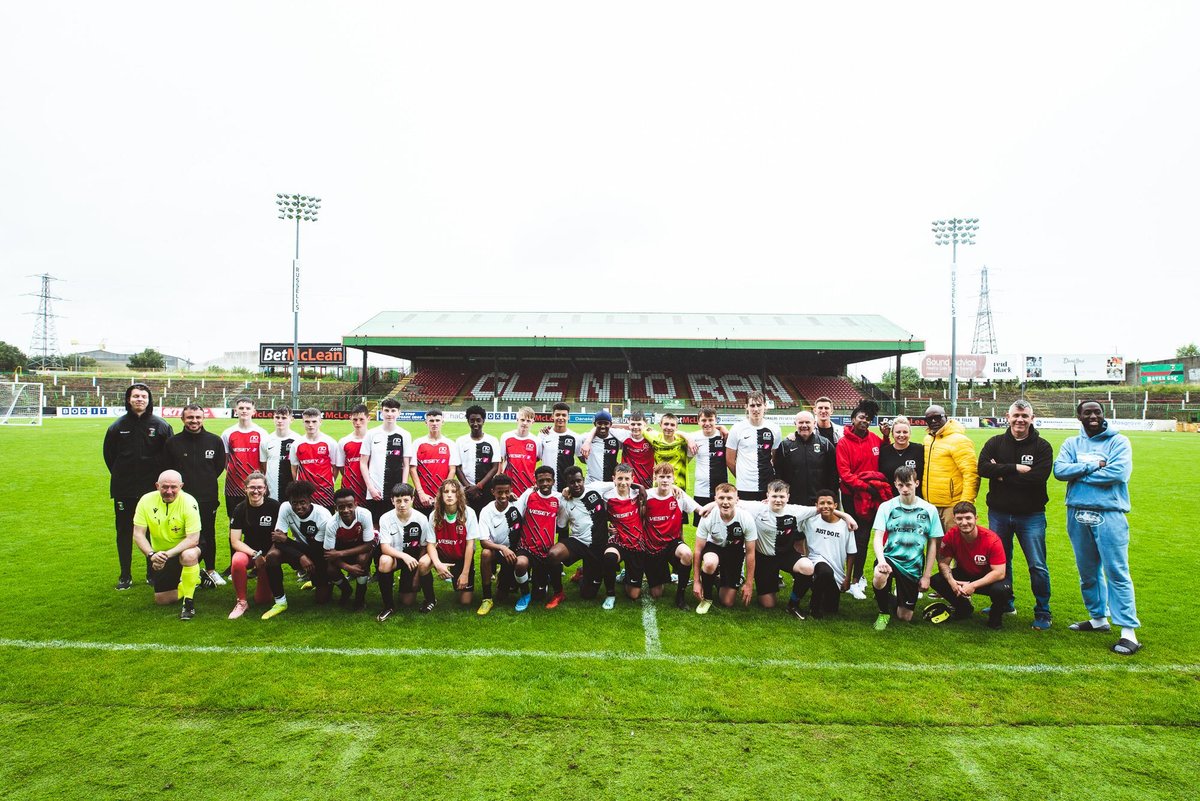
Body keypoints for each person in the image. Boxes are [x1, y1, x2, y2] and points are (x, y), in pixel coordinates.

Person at [1054, 400, 1141, 656]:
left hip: (1109, 513)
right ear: (1078, 416)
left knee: (1117, 571)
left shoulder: (1118, 442)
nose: (1093, 416)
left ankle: (1128, 631)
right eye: (1087, 412)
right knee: (1087, 571)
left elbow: (1118, 473)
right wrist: (1093, 465)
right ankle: (1098, 619)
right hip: (1077, 512)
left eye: (1097, 412)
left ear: (1104, 414)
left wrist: (1078, 473)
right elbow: (1059, 471)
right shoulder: (1071, 443)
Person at [977, 399, 1054, 629]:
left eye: (1024, 416)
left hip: (1031, 515)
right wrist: (1014, 468)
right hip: (999, 513)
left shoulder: (1042, 446)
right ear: (1007, 417)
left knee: (1037, 565)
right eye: (1016, 416)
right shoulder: (995, 442)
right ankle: (1005, 604)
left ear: (1032, 419)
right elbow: (982, 468)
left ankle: (1043, 611)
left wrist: (1000, 473)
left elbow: (1037, 478)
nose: (1020, 420)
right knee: (1001, 562)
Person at [738, 479, 856, 616]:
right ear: (767, 496)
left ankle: (793, 604)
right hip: (765, 558)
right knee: (768, 604)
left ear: (788, 497)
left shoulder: (795, 511)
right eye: (774, 496)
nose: (778, 500)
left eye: (782, 496)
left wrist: (846, 516)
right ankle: (768, 587)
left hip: (786, 555)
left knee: (807, 567)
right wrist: (707, 508)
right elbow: (728, 501)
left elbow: (822, 508)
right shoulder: (756, 508)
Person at [103, 382, 173, 590]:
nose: (139, 399)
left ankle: (152, 573)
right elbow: (109, 457)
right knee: (124, 531)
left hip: (152, 491)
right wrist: (122, 475)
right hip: (124, 489)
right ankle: (125, 575)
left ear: (149, 400)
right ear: (128, 399)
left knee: (153, 530)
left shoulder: (161, 426)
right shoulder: (117, 427)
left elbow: (169, 456)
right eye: (135, 396)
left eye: (143, 396)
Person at [870, 466, 942, 630]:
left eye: (908, 484)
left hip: (912, 565)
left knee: (905, 617)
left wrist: (927, 576)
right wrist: (881, 561)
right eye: (900, 485)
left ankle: (886, 597)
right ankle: (883, 612)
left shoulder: (929, 510)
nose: (904, 489)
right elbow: (878, 537)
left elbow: (932, 544)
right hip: (891, 558)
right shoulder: (886, 507)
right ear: (895, 484)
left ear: (916, 483)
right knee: (880, 574)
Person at [164, 404, 227, 587]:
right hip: (180, 499)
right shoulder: (173, 442)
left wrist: (203, 481)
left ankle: (210, 570)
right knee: (181, 533)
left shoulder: (214, 441)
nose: (194, 421)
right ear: (183, 419)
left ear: (203, 419)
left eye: (198, 417)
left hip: (207, 497)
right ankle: (186, 571)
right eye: (190, 417)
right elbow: (168, 469)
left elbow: (218, 467)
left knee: (208, 533)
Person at [836, 399, 891, 600]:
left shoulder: (874, 439)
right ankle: (852, 579)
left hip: (873, 497)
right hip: (853, 497)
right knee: (857, 538)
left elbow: (884, 456)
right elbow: (844, 473)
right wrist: (865, 487)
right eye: (861, 417)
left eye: (868, 419)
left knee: (870, 536)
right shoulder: (843, 443)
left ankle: (858, 578)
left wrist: (885, 438)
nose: (864, 421)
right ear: (852, 420)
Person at [130, 470, 202, 620]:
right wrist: (152, 555)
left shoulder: (189, 502)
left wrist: (166, 555)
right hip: (160, 553)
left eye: (173, 487)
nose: (169, 491)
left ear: (181, 486)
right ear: (157, 486)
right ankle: (196, 578)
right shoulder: (146, 500)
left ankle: (188, 603)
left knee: (188, 556)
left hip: (186, 548)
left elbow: (193, 539)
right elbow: (138, 534)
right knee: (162, 600)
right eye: (164, 487)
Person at [929, 501, 1013, 629]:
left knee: (1001, 590)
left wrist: (973, 585)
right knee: (936, 580)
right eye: (959, 519)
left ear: (976, 518)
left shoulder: (991, 539)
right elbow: (944, 563)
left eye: (968, 518)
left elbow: (999, 572)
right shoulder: (951, 535)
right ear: (955, 520)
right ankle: (964, 608)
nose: (964, 522)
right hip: (965, 574)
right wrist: (952, 581)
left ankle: (995, 618)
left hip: (988, 578)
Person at [263, 480, 334, 619]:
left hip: (319, 556)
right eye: (294, 503)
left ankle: (323, 581)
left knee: (322, 600)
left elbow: (316, 550)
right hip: (300, 552)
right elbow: (278, 541)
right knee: (272, 556)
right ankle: (280, 602)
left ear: (310, 500)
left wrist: (288, 541)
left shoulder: (323, 516)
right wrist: (301, 556)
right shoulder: (285, 507)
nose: (298, 507)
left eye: (302, 502)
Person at [691, 483, 758, 614]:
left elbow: (750, 553)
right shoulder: (708, 517)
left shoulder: (746, 518)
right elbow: (698, 550)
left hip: (734, 552)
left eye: (729, 498)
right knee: (710, 563)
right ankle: (708, 598)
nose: (725, 502)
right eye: (721, 498)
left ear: (737, 500)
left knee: (728, 601)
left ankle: (717, 579)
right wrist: (696, 581)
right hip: (714, 548)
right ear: (715, 499)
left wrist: (749, 583)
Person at [641, 462, 700, 609]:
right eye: (661, 476)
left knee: (686, 554)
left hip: (672, 544)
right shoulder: (646, 495)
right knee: (656, 593)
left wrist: (731, 506)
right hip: (652, 547)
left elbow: (700, 510)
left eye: (668, 477)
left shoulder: (678, 495)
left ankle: (680, 596)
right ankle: (661, 574)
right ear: (655, 478)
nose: (665, 480)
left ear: (673, 479)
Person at [375, 483, 436, 621]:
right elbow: (384, 547)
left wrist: (417, 576)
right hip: (396, 558)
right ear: (392, 501)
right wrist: (404, 556)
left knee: (408, 601)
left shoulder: (421, 518)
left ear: (412, 499)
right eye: (398, 501)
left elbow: (423, 547)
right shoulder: (385, 518)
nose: (402, 504)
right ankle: (388, 606)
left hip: (413, 562)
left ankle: (428, 597)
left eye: (406, 500)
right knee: (384, 561)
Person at [221, 396, 267, 573]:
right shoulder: (228, 433)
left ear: (254, 411)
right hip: (233, 488)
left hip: (255, 489)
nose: (244, 411)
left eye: (248, 408)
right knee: (235, 526)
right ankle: (235, 563)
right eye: (241, 408)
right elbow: (225, 460)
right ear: (236, 410)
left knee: (257, 526)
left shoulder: (261, 433)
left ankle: (257, 563)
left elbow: (263, 463)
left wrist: (257, 484)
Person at [420, 478, 481, 610]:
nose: (449, 495)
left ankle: (462, 574)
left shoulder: (468, 513)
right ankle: (430, 600)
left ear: (459, 495)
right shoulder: (434, 515)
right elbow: (430, 544)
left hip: (461, 555)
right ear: (441, 495)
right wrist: (438, 564)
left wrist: (465, 573)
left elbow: (471, 545)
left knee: (465, 601)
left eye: (453, 491)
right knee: (423, 564)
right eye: (446, 491)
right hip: (442, 554)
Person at [794, 489, 856, 618]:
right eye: (822, 503)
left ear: (835, 505)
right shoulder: (810, 521)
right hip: (817, 562)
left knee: (831, 609)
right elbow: (793, 516)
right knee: (824, 571)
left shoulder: (846, 525)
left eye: (829, 503)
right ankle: (813, 607)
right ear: (816, 506)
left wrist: (847, 579)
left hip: (837, 572)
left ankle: (819, 590)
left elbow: (851, 553)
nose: (825, 506)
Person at [226, 471, 279, 619]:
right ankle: (241, 602)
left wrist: (266, 558)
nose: (256, 491)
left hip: (270, 554)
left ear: (265, 489)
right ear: (245, 489)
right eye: (252, 487)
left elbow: (281, 537)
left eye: (260, 487)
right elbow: (235, 541)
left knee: (263, 600)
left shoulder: (275, 507)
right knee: (237, 561)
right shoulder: (240, 509)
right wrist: (256, 555)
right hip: (250, 552)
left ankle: (264, 575)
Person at [513, 465, 566, 611]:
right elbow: (516, 512)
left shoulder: (559, 498)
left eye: (548, 480)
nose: (545, 484)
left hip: (545, 550)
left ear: (553, 481)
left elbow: (562, 523)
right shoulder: (529, 494)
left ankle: (548, 584)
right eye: (541, 480)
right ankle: (524, 594)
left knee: (540, 596)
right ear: (535, 481)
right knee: (520, 564)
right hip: (526, 547)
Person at [921, 404, 979, 531]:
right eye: (929, 419)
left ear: (945, 417)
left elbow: (971, 473)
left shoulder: (959, 440)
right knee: (935, 547)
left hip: (952, 506)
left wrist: (965, 503)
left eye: (937, 417)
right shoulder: (928, 439)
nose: (933, 421)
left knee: (955, 547)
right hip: (931, 505)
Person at [555, 466, 608, 602]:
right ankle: (558, 591)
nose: (576, 485)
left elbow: (620, 483)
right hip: (578, 542)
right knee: (553, 554)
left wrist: (641, 488)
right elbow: (562, 527)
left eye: (579, 481)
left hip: (598, 546)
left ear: (583, 480)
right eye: (572, 482)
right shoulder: (565, 502)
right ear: (567, 484)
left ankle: (583, 572)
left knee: (587, 594)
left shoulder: (596, 488)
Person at [600, 464, 649, 609]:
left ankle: (625, 575)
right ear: (613, 479)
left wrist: (676, 488)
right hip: (618, 541)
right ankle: (610, 594)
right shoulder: (606, 496)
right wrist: (608, 529)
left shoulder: (638, 493)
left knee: (633, 595)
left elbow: (663, 490)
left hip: (636, 543)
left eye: (627, 479)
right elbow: (600, 518)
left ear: (632, 479)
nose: (623, 482)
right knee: (609, 558)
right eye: (619, 478)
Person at [360, 398, 413, 525]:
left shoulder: (404, 435)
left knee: (396, 524)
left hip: (396, 491)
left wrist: (403, 487)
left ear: (399, 413)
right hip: (375, 490)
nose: (390, 414)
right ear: (381, 412)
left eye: (393, 410)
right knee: (375, 525)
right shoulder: (371, 434)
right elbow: (363, 462)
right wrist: (370, 487)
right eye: (387, 410)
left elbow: (406, 465)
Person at [321, 488, 377, 610]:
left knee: (362, 560)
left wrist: (340, 553)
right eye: (341, 507)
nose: (346, 510)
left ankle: (360, 597)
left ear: (355, 505)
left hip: (361, 546)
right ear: (336, 508)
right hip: (342, 547)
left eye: (349, 506)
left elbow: (368, 545)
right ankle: (346, 590)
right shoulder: (332, 524)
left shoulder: (364, 514)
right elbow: (329, 554)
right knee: (330, 569)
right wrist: (348, 567)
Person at [476, 474, 523, 614]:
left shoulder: (517, 506)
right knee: (485, 554)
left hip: (512, 553)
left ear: (511, 491)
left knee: (503, 596)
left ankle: (504, 577)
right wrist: (502, 548)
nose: (503, 496)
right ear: (493, 492)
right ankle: (486, 598)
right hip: (496, 551)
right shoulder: (486, 511)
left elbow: (534, 492)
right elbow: (484, 542)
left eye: (506, 492)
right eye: (499, 492)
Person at [725, 392, 783, 502]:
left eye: (759, 405)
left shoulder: (775, 428)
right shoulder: (737, 428)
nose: (756, 409)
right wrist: (742, 476)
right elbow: (729, 460)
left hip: (767, 485)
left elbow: (775, 457)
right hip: (744, 486)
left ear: (765, 406)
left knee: (766, 518)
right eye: (752, 405)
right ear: (746, 407)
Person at [776, 410, 837, 506]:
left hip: (819, 502)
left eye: (807, 422)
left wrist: (831, 496)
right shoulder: (785, 445)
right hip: (793, 502)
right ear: (795, 424)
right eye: (801, 422)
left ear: (814, 423)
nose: (804, 425)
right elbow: (779, 473)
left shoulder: (825, 444)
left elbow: (833, 474)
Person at [411, 409, 460, 514]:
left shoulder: (450, 444)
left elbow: (452, 470)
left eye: (437, 420)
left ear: (443, 422)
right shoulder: (417, 443)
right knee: (422, 526)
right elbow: (413, 469)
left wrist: (443, 493)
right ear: (426, 422)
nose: (434, 423)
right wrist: (420, 493)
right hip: (422, 497)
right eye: (431, 421)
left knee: (441, 527)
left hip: (442, 496)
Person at [292, 408, 342, 511]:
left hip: (325, 492)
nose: (311, 425)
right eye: (307, 422)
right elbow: (294, 468)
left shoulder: (330, 442)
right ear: (303, 422)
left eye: (314, 421)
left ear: (320, 422)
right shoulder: (296, 444)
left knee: (327, 522)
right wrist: (299, 486)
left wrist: (330, 482)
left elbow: (335, 467)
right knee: (305, 521)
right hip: (305, 493)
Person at [456, 404, 500, 514]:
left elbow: (495, 467)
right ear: (468, 421)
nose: (475, 424)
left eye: (478, 420)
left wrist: (479, 486)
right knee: (466, 519)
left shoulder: (493, 440)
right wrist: (468, 487)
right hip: (466, 490)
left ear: (483, 421)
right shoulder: (460, 441)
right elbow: (457, 467)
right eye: (472, 420)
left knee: (485, 518)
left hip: (487, 489)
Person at [687, 407, 729, 522]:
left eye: (710, 420)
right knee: (702, 524)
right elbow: (687, 459)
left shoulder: (724, 436)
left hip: (721, 488)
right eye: (704, 420)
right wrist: (688, 438)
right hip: (701, 489)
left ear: (716, 420)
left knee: (722, 522)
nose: (707, 423)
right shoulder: (694, 437)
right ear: (698, 421)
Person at [537, 402, 582, 491]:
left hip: (568, 486)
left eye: (564, 415)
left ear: (568, 417)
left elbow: (581, 458)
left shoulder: (575, 437)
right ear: (552, 416)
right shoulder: (543, 435)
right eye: (557, 415)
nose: (561, 418)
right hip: (547, 486)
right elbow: (538, 457)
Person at [877, 415, 924, 498]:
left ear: (910, 433)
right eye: (898, 432)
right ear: (892, 433)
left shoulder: (919, 450)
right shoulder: (884, 452)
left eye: (905, 432)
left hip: (915, 500)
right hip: (890, 499)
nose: (901, 435)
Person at [260, 406, 299, 502]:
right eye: (277, 417)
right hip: (272, 489)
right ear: (273, 418)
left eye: (284, 418)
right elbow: (264, 466)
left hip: (292, 489)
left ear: (291, 420)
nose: (280, 421)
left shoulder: (298, 440)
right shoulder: (266, 441)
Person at [645, 413, 691, 494]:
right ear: (660, 425)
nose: (669, 427)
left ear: (677, 427)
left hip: (679, 487)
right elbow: (638, 427)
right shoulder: (654, 437)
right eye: (666, 424)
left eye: (672, 425)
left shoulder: (683, 441)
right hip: (659, 486)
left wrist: (721, 427)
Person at [499, 406, 539, 496]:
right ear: (517, 420)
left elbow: (537, 459)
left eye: (528, 421)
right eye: (522, 419)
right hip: (509, 484)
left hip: (529, 485)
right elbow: (501, 460)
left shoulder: (536, 441)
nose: (525, 423)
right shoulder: (506, 437)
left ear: (533, 422)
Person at [337, 404, 371, 508]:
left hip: (370, 486)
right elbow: (341, 466)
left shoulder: (374, 439)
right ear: (350, 418)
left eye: (361, 419)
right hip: (351, 486)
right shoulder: (344, 441)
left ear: (368, 419)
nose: (358, 423)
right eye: (355, 419)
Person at [580, 410, 621, 485]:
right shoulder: (584, 438)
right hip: (591, 484)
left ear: (611, 424)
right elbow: (581, 458)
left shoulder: (617, 438)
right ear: (594, 424)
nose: (602, 426)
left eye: (606, 423)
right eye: (599, 423)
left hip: (610, 484)